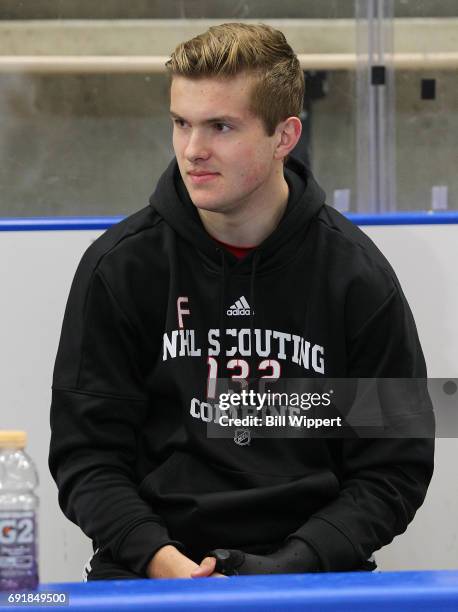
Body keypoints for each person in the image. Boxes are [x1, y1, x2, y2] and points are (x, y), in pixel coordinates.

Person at [49, 22, 434, 581]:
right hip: (151, 577)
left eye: (221, 126)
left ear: (285, 136)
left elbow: (394, 469)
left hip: (311, 579)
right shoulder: (120, 268)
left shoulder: (357, 276)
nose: (193, 149)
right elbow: (87, 458)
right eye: (181, 123)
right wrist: (166, 565)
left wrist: (293, 566)